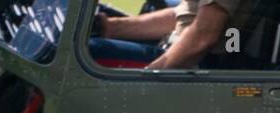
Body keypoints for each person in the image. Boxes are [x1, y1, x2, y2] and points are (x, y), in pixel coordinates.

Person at [90, 0, 253, 70]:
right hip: (180, 50)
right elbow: (187, 15)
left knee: (86, 52)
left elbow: (204, 36)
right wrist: (113, 27)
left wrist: (149, 77)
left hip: (196, 66)